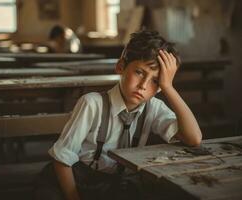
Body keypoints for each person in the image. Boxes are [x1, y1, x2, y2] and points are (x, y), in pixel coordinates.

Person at [34, 30, 202, 200]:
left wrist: (169, 88)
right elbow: (62, 160)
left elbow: (193, 138)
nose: (144, 85)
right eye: (139, 72)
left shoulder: (154, 108)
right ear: (120, 66)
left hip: (112, 184)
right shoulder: (92, 104)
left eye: (155, 81)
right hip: (71, 180)